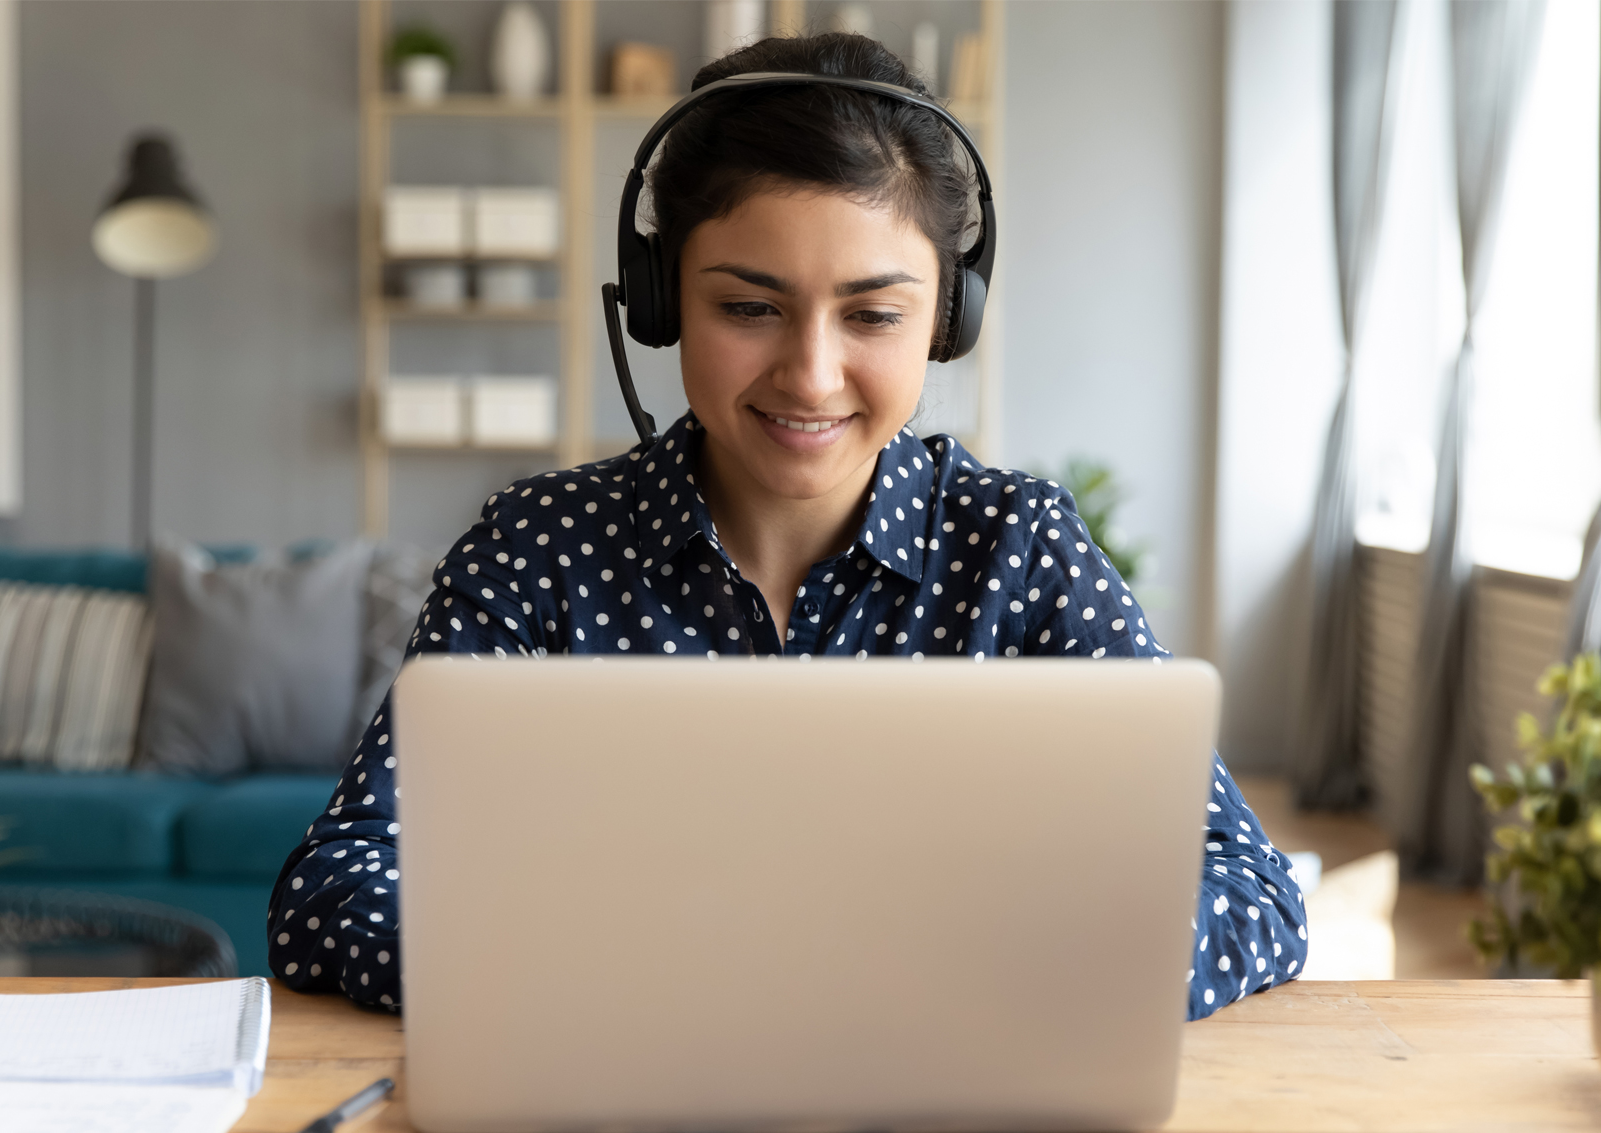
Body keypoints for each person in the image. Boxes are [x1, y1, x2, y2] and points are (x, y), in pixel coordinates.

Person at [268, 32, 1307, 1022]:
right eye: (749, 307)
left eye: (872, 314)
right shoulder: (535, 549)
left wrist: (983, 975)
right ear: (659, 298)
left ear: (948, 319)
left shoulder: (1017, 552)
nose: (810, 374)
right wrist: (645, 980)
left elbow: (1243, 884)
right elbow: (335, 887)